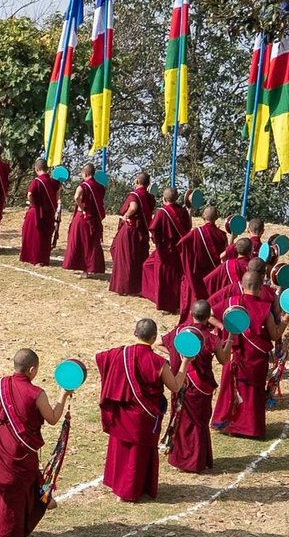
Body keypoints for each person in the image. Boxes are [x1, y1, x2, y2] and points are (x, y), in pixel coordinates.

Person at [0, 349, 70, 537]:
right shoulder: (36, 394)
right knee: (16, 488)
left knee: (1, 484)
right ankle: (7, 534)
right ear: (32, 370)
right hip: (18, 454)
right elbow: (52, 418)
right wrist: (63, 394)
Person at [96, 319, 184, 503]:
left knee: (121, 450)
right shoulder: (158, 362)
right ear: (153, 338)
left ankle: (117, 483)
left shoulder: (118, 354)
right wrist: (186, 363)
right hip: (144, 416)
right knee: (137, 455)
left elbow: (100, 358)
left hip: (122, 414)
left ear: (135, 333)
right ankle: (131, 491)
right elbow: (175, 386)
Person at [212, 268, 282, 439]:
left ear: (242, 287)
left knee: (232, 389)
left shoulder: (231, 303)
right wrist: (286, 320)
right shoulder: (264, 308)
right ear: (260, 288)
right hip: (256, 360)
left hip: (234, 356)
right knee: (253, 394)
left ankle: (229, 424)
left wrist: (224, 327)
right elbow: (274, 335)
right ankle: (252, 429)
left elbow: (210, 314)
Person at [163, 302, 228, 474]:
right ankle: (195, 461)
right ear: (208, 318)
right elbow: (224, 360)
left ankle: (179, 458)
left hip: (179, 381)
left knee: (181, 420)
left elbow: (160, 344)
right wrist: (231, 339)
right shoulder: (211, 338)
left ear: (191, 314)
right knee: (199, 423)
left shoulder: (178, 331)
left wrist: (174, 355)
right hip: (201, 387)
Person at [140, 187, 190, 313]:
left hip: (164, 251)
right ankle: (178, 302)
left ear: (164, 198)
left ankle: (166, 305)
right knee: (176, 276)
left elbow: (154, 231)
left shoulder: (162, 212)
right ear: (176, 198)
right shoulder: (182, 211)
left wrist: (157, 242)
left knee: (165, 277)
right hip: (179, 250)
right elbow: (188, 227)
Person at [108, 172, 154, 296]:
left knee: (124, 257)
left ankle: (124, 286)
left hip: (130, 230)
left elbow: (133, 207)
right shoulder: (150, 197)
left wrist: (126, 216)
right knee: (138, 258)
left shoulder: (134, 195)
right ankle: (138, 287)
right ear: (148, 184)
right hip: (142, 230)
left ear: (137, 182)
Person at [178, 205, 227, 318]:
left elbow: (181, 244)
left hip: (197, 271)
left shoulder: (196, 232)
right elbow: (224, 255)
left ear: (202, 217)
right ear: (216, 218)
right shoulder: (222, 235)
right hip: (213, 272)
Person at [62, 162, 106, 274]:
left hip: (83, 217)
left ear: (85, 173)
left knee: (80, 243)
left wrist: (82, 207)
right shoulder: (101, 187)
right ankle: (92, 268)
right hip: (94, 218)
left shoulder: (83, 186)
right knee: (92, 243)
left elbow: (76, 197)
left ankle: (84, 270)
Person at [16, 158, 60, 266]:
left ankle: (32, 257)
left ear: (37, 169)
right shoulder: (54, 182)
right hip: (49, 213)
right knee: (44, 237)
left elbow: (30, 194)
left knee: (32, 235)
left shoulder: (37, 181)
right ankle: (43, 259)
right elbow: (58, 194)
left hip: (36, 212)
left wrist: (33, 204)